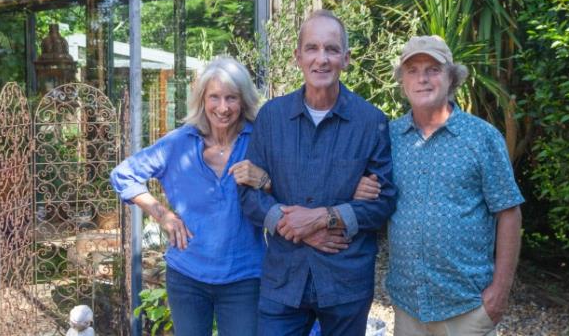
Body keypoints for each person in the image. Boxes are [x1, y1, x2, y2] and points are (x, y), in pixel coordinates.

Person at [110, 57, 376, 336]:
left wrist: (267, 180)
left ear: (244, 100)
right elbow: (123, 175)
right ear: (202, 99)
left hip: (245, 278)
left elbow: (300, 186)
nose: (222, 108)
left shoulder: (258, 140)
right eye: (214, 97)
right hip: (187, 276)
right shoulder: (179, 143)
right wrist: (163, 215)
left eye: (231, 98)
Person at [239, 10, 396, 336]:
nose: (321, 59)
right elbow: (249, 193)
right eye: (311, 48)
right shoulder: (272, 117)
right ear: (297, 56)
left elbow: (383, 204)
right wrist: (294, 224)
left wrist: (323, 217)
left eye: (331, 49)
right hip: (284, 277)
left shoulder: (372, 122)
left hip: (345, 279)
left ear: (346, 58)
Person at [365, 35, 524, 335]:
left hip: (467, 308)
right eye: (412, 70)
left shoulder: (482, 138)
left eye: (433, 69)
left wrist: (499, 293)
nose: (422, 78)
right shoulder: (389, 137)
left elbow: (509, 213)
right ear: (402, 80)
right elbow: (375, 192)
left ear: (452, 77)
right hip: (408, 306)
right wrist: (363, 189)